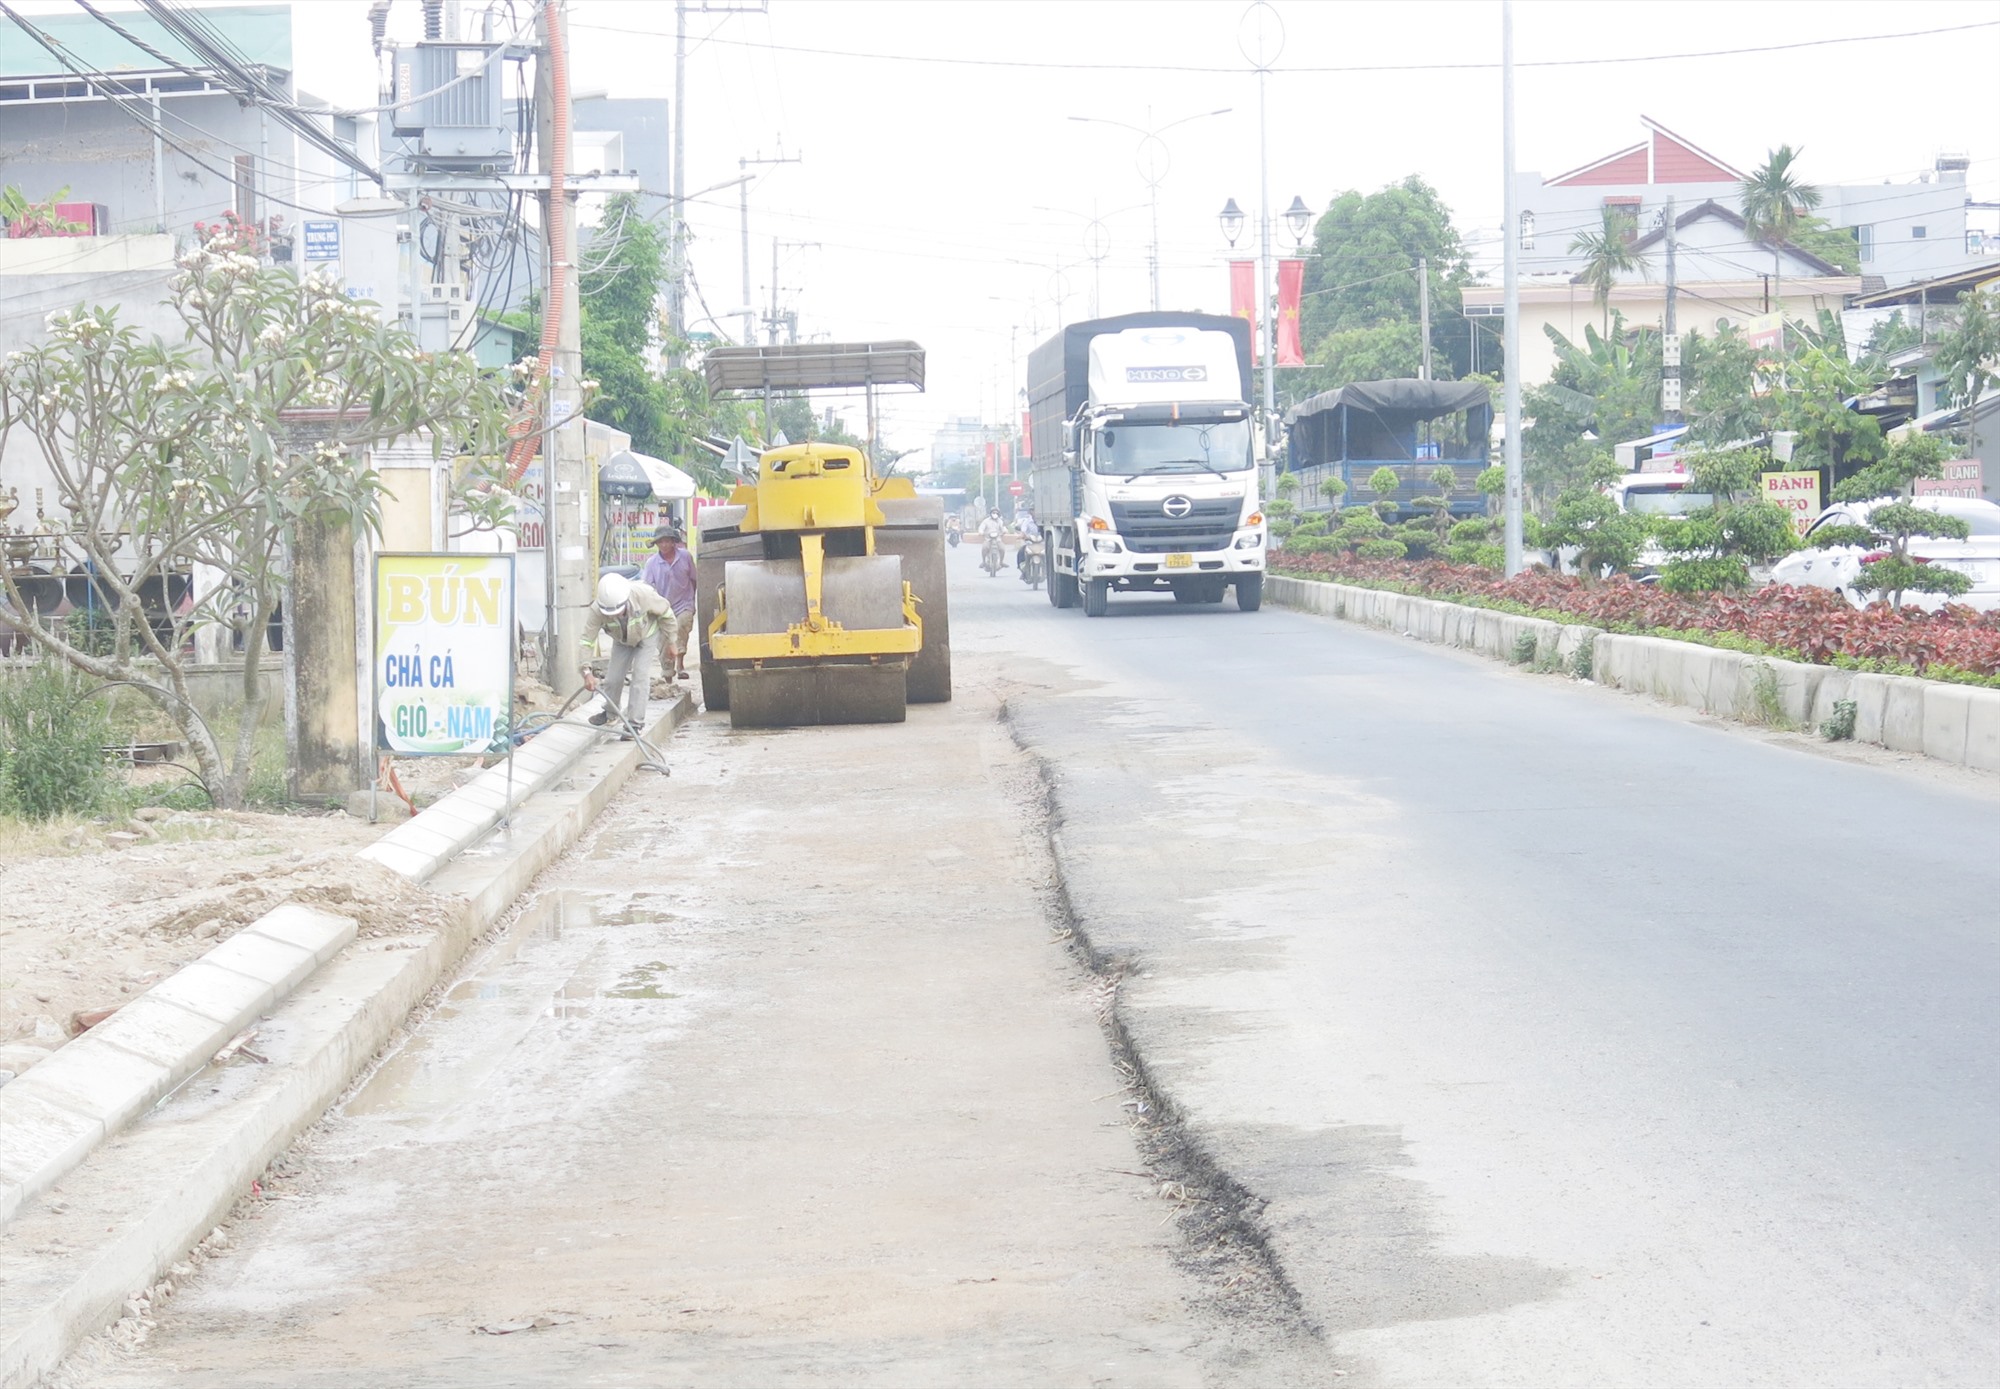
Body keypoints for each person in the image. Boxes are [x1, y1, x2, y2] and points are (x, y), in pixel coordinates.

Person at [581, 572, 678, 731]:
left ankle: (634, 724)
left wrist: (672, 641)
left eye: (618, 611)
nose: (615, 615)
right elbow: (586, 640)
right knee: (613, 679)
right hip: (622, 641)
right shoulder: (597, 610)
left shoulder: (644, 595)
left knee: (640, 677)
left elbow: (667, 614)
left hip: (647, 636)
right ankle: (610, 713)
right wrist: (586, 672)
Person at [639, 522, 697, 681]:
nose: (664, 544)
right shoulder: (652, 563)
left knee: (680, 628)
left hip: (684, 603)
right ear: (657, 544)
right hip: (662, 606)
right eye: (661, 541)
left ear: (673, 542)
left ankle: (680, 665)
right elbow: (646, 588)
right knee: (665, 639)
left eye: (667, 541)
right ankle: (667, 673)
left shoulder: (685, 556)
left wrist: (692, 602)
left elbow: (693, 580)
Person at [977, 507, 1006, 571]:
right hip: (988, 539)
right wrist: (981, 532)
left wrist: (1004, 531)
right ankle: (984, 561)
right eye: (993, 513)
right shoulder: (986, 521)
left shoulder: (1000, 521)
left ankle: (1001, 562)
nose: (995, 514)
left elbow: (1003, 528)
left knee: (1002, 548)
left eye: (996, 513)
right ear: (990, 513)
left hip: (997, 539)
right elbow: (981, 528)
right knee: (984, 548)